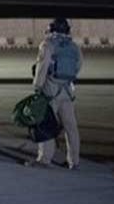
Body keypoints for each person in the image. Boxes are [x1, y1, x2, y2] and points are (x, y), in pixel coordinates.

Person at [28, 18, 82, 169]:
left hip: (50, 91)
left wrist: (37, 87)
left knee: (46, 124)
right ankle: (74, 161)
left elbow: (42, 67)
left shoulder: (47, 45)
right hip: (67, 90)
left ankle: (45, 159)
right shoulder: (74, 47)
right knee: (71, 127)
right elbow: (78, 66)